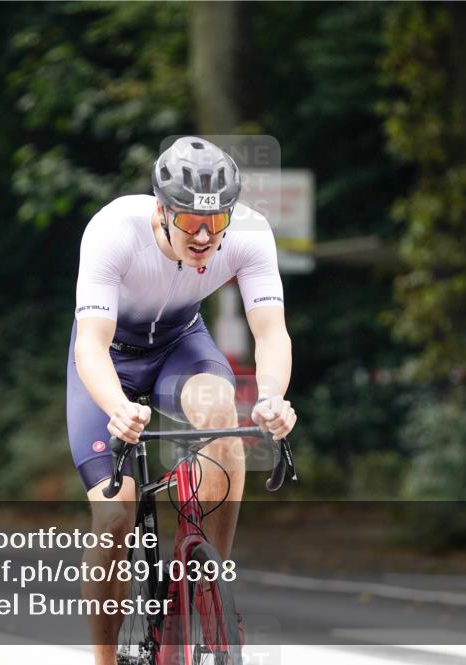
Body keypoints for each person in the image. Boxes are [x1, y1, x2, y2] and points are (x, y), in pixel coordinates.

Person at [67, 136, 297, 665]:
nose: (202, 234)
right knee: (114, 520)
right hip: (110, 361)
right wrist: (118, 406)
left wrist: (272, 398)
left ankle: (208, 590)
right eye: (189, 220)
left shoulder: (251, 233)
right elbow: (91, 346)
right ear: (162, 210)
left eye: (215, 222)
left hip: (179, 346)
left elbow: (272, 333)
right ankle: (104, 659)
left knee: (224, 417)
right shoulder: (113, 230)